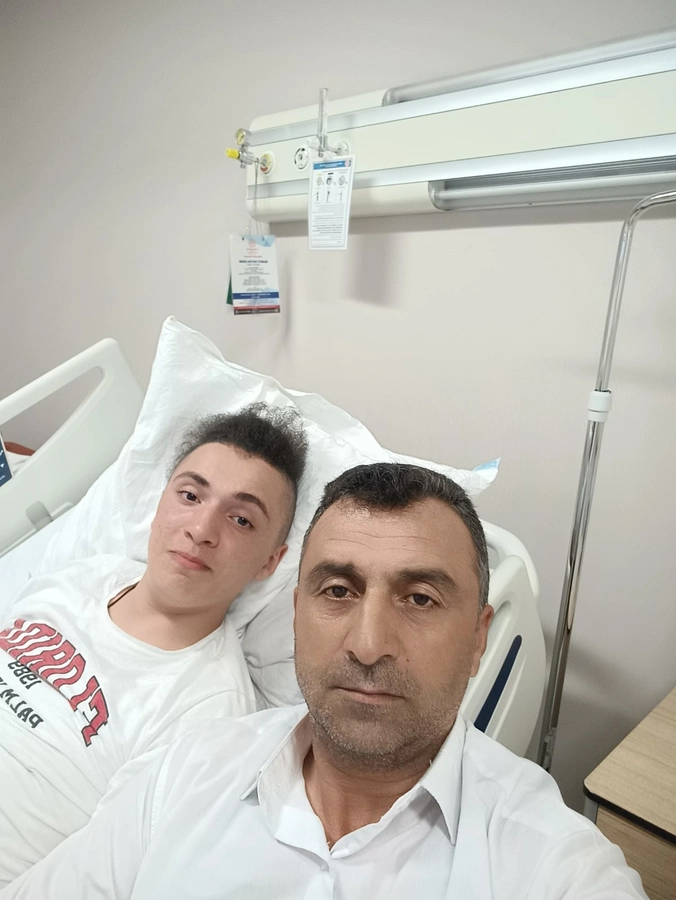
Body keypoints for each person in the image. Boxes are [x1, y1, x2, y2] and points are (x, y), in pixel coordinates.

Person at [0, 463, 647, 899]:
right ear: (296, 615)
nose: (367, 644)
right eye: (338, 590)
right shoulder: (188, 773)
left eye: (420, 599)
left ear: (478, 639)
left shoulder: (551, 867)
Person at [0, 403, 308, 889]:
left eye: (241, 520)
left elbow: (98, 876)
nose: (201, 530)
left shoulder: (210, 714)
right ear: (161, 503)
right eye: (190, 495)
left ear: (270, 562)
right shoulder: (83, 576)